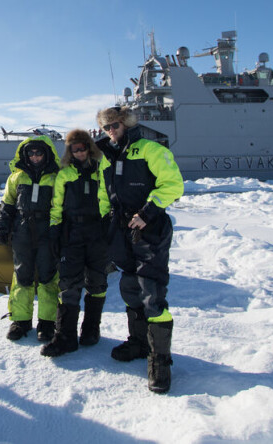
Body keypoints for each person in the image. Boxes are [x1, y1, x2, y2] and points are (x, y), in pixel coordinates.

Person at [95, 106, 183, 394]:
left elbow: (173, 185)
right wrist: (104, 223)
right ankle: (139, 342)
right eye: (106, 127)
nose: (111, 131)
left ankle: (160, 361)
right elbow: (104, 195)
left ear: (126, 124)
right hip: (122, 231)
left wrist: (147, 213)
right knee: (130, 286)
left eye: (115, 126)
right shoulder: (107, 157)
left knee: (152, 293)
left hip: (150, 228)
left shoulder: (149, 150)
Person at [41, 129, 111, 358]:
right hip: (72, 234)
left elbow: (109, 199)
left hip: (97, 233)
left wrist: (109, 228)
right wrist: (54, 231)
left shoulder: (102, 170)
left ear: (89, 148)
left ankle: (91, 330)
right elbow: (56, 207)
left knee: (97, 283)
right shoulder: (65, 175)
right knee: (69, 285)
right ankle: (65, 337)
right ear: (70, 152)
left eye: (82, 148)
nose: (79, 153)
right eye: (75, 149)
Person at [0, 135, 61, 342]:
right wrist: (2, 227)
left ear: (47, 154)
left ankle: (47, 323)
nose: (34, 156)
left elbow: (61, 207)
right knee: (22, 275)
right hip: (22, 230)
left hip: (46, 231)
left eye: (39, 152)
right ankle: (21, 321)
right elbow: (8, 205)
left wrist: (60, 232)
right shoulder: (16, 178)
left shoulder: (56, 177)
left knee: (47, 276)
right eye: (30, 153)